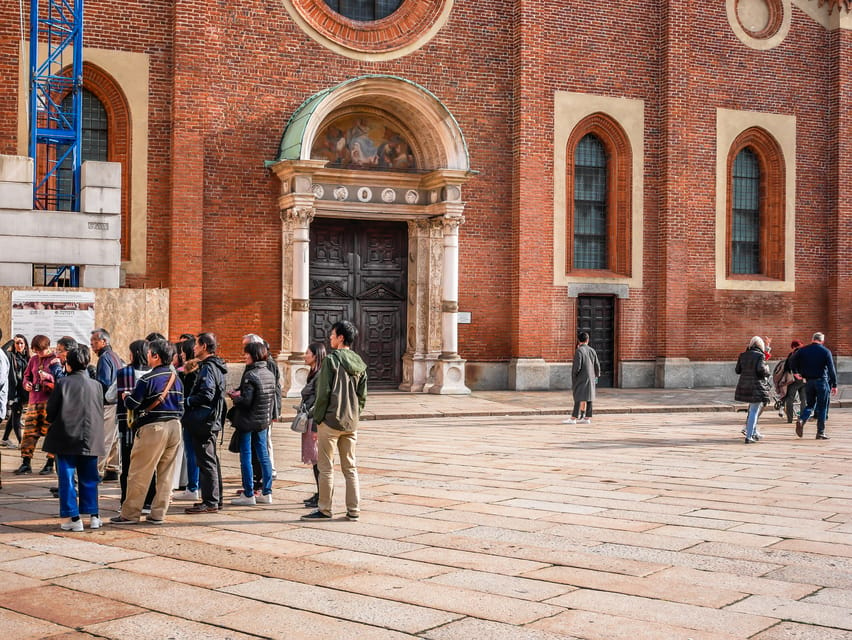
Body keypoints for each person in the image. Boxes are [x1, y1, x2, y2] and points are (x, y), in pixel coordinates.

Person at [111, 339, 184, 524]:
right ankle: (158, 513)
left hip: (153, 428)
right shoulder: (177, 379)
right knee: (166, 473)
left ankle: (130, 514)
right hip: (175, 426)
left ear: (155, 356)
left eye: (150, 353)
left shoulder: (148, 378)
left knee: (139, 472)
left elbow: (133, 404)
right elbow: (182, 407)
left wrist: (126, 396)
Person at [302, 320, 367, 522]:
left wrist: (318, 420)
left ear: (340, 338)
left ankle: (324, 509)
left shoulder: (331, 361)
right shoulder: (360, 362)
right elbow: (362, 396)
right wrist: (355, 414)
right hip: (351, 422)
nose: (330, 338)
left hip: (330, 421)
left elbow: (323, 394)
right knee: (350, 467)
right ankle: (353, 509)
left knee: (326, 467)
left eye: (332, 335)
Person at [43, 346, 105, 531]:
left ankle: (75, 518)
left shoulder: (63, 383)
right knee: (90, 478)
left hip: (66, 437)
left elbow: (51, 412)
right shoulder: (97, 385)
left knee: (67, 479)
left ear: (68, 364)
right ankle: (94, 516)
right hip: (91, 437)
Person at [182, 332, 227, 514]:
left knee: (206, 461)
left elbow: (207, 394)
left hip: (204, 421)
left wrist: (188, 401)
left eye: (197, 345)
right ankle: (215, 499)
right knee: (211, 460)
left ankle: (210, 502)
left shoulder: (209, 367)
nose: (194, 348)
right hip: (210, 420)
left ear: (204, 347)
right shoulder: (217, 366)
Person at [228, 341, 276, 506]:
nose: (244, 356)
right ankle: (267, 492)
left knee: (246, 457)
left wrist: (235, 397)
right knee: (263, 455)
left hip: (247, 421)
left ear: (253, 355)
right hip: (263, 421)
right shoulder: (269, 373)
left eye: (247, 353)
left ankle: (248, 493)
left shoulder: (251, 375)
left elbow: (246, 401)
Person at [116, 340, 156, 510]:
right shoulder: (156, 373)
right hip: (150, 424)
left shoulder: (123, 373)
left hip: (128, 426)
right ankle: (148, 501)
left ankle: (127, 501)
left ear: (133, 354)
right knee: (149, 464)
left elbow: (111, 395)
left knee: (127, 465)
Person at [16, 335, 63, 475]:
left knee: (51, 434)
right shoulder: (33, 359)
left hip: (49, 402)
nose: (38, 354)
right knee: (29, 433)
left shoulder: (56, 360)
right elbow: (26, 376)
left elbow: (61, 380)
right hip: (34, 401)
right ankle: (26, 462)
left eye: (40, 351)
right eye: (36, 351)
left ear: (47, 347)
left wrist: (48, 377)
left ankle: (49, 464)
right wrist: (26, 384)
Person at [90, 328, 125, 481]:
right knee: (114, 438)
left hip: (109, 403)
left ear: (104, 342)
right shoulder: (115, 356)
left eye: (95, 341)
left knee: (104, 438)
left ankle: (94, 471)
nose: (92, 345)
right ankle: (113, 469)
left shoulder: (104, 358)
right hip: (117, 402)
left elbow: (103, 383)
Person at [790, 332, 838, 440]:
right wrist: (834, 384)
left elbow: (792, 360)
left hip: (808, 381)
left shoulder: (802, 350)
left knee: (810, 404)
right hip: (822, 381)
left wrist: (795, 372)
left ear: (812, 339)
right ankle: (820, 432)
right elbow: (831, 369)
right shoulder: (826, 351)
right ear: (822, 341)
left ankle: (802, 419)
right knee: (822, 407)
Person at [173, 335, 201, 502]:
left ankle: (192, 487)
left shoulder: (187, 373)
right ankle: (195, 485)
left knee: (191, 453)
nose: (181, 355)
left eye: (184, 352)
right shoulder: (200, 369)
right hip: (198, 416)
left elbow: (186, 395)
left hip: (190, 416)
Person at [300, 341, 327, 509]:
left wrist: (316, 425)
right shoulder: (314, 373)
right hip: (310, 419)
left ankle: (322, 494)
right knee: (316, 461)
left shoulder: (320, 375)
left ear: (315, 356)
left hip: (314, 420)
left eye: (307, 353)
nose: (304, 355)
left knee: (318, 460)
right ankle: (319, 493)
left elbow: (320, 401)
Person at [735, 336, 772, 444]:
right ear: (760, 345)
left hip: (744, 386)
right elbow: (761, 370)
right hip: (756, 386)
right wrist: (767, 370)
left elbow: (737, 370)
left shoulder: (742, 355)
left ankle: (754, 432)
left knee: (752, 409)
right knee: (754, 411)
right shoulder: (760, 356)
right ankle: (749, 435)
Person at [563, 332, 601, 425]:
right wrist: (596, 375)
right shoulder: (592, 350)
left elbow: (577, 367)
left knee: (578, 396)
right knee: (589, 397)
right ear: (587, 340)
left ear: (579, 340)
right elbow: (597, 365)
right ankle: (587, 417)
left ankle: (573, 418)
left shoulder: (579, 351)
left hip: (581, 377)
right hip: (591, 376)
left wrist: (574, 376)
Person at [2, 334, 29, 448]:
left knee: (14, 416)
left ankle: (5, 439)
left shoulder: (27, 358)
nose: (19, 345)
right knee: (17, 417)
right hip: (13, 393)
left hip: (23, 392)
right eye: (17, 343)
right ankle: (21, 443)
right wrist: (11, 341)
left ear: (25, 345)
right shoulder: (9, 355)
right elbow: (1, 350)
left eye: (22, 343)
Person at [780, 340, 806, 423]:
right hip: (804, 379)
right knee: (803, 399)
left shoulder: (791, 355)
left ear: (793, 347)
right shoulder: (804, 354)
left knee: (789, 399)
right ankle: (802, 418)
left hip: (794, 380)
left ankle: (790, 419)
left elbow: (787, 368)